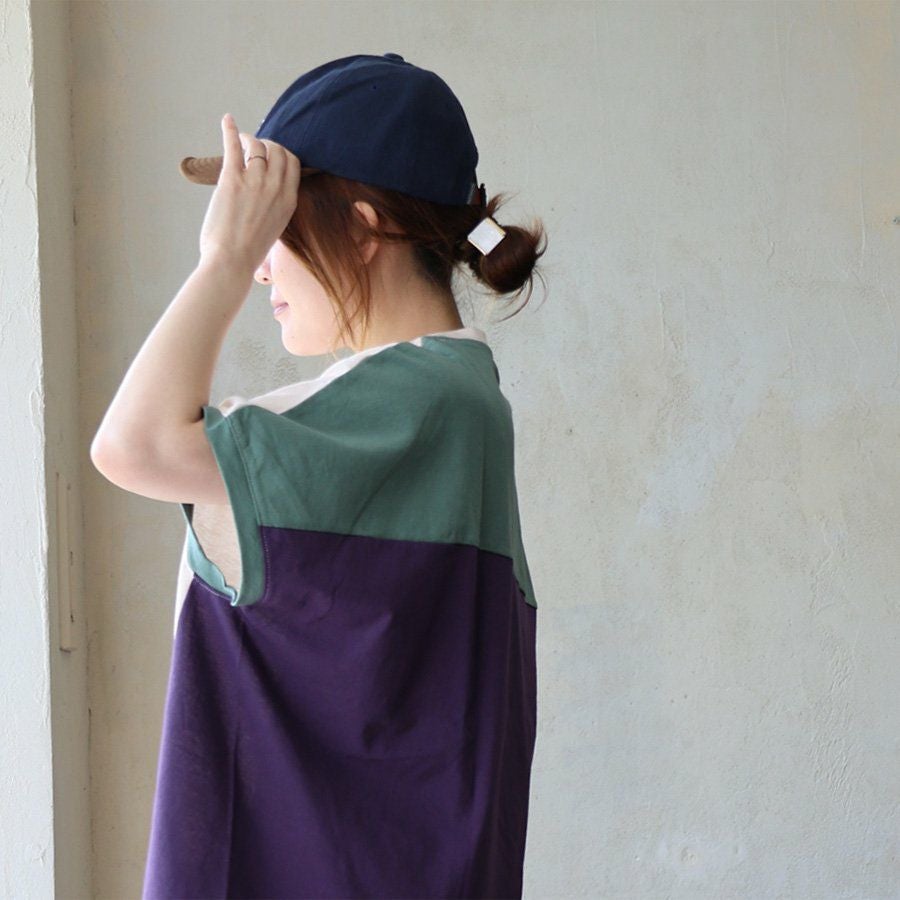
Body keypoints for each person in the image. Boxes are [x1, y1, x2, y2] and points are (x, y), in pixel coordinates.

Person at [91, 52, 547, 900]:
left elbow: (131, 447)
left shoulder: (408, 402)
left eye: (273, 226)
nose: (264, 264)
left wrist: (220, 262)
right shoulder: (458, 404)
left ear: (363, 231)